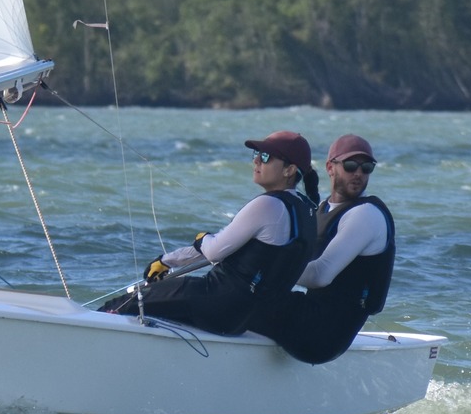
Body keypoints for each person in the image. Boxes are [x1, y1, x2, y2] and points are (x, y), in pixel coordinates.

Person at [112, 130, 319, 335]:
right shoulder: (308, 210)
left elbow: (213, 251)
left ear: (289, 170)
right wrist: (167, 261)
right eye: (256, 155)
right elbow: (226, 245)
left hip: (216, 303)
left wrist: (201, 239)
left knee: (127, 302)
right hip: (247, 317)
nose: (256, 161)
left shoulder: (268, 205)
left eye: (266, 156)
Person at [258, 133, 395, 364]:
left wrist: (267, 269)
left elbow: (320, 275)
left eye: (367, 167)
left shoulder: (367, 214)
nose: (359, 173)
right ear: (330, 167)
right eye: (351, 166)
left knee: (240, 301)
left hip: (323, 337)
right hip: (311, 317)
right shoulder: (321, 210)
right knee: (243, 294)